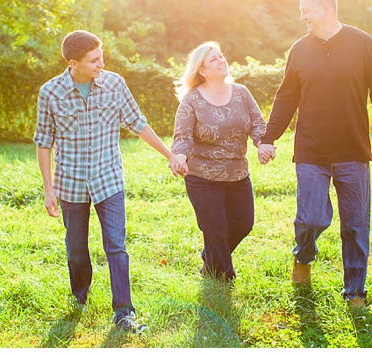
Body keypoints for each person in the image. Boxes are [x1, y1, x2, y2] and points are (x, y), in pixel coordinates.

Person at [258, 0, 372, 308]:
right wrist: (269, 137)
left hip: (353, 151)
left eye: (306, 10)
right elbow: (286, 97)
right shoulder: (299, 50)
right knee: (309, 218)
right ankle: (304, 255)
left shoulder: (364, 44)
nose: (302, 16)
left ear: (325, 9)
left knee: (355, 225)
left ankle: (354, 291)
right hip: (311, 151)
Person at [34, 30, 186, 333]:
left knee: (116, 245)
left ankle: (123, 312)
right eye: (93, 61)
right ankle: (79, 297)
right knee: (76, 249)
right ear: (74, 63)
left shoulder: (114, 84)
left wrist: (170, 154)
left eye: (101, 57)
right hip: (71, 182)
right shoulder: (50, 92)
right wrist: (48, 189)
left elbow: (137, 123)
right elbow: (43, 141)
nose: (101, 64)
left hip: (108, 178)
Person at [170, 41, 267, 281]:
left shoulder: (241, 93)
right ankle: (223, 280)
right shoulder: (192, 101)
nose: (221, 61)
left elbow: (258, 123)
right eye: (213, 59)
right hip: (202, 177)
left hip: (238, 174)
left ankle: (210, 258)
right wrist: (180, 157)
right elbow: (182, 137)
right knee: (215, 230)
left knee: (244, 224)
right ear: (201, 70)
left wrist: (262, 143)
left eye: (221, 56)